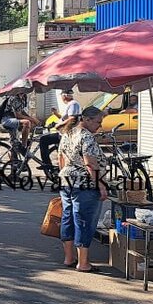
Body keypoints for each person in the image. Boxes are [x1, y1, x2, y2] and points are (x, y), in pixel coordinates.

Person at [58, 106, 107, 272]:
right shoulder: (86, 137)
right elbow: (90, 163)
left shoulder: (67, 133)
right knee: (84, 221)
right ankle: (83, 263)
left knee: (68, 218)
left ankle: (68, 257)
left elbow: (61, 158)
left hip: (66, 181)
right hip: (85, 184)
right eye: (98, 122)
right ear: (86, 120)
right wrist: (101, 186)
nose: (100, 126)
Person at [39, 91, 81, 172]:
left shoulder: (73, 104)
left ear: (64, 96)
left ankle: (47, 164)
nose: (61, 98)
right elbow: (65, 118)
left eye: (61, 96)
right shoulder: (71, 104)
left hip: (66, 134)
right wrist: (56, 114)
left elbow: (72, 118)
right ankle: (57, 163)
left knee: (43, 140)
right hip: (64, 132)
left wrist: (59, 125)